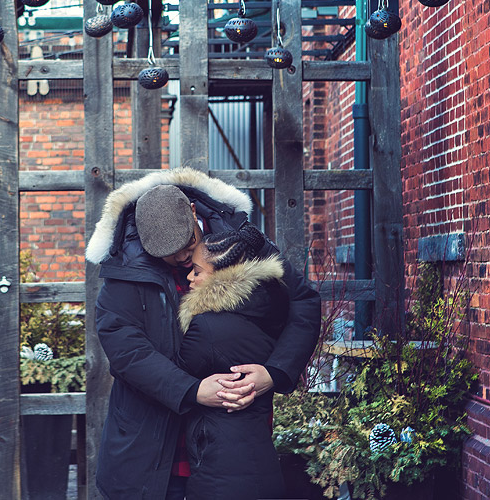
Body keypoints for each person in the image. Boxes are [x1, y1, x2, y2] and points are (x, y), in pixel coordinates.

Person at [85, 167, 321, 500]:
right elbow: (126, 350)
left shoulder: (238, 239)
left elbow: (303, 302)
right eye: (168, 255)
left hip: (228, 446)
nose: (182, 258)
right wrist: (191, 390)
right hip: (149, 443)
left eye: (188, 245)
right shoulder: (123, 266)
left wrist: (275, 371)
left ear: (193, 212)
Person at [178, 224, 290, 500]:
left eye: (198, 271)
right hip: (258, 458)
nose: (190, 277)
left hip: (220, 468)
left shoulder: (206, 328)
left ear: (223, 276)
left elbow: (175, 374)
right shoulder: (267, 308)